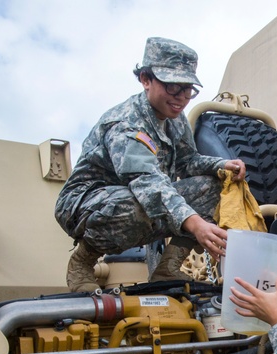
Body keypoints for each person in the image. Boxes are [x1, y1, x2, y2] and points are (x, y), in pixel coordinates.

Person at [55, 37, 246, 291]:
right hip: (87, 204)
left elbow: (187, 162)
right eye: (173, 88)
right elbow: (146, 182)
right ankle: (82, 261)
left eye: (188, 89)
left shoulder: (174, 118)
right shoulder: (125, 123)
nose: (182, 98)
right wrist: (196, 223)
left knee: (213, 185)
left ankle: (168, 269)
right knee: (134, 202)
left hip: (141, 197)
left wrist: (221, 164)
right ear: (146, 79)